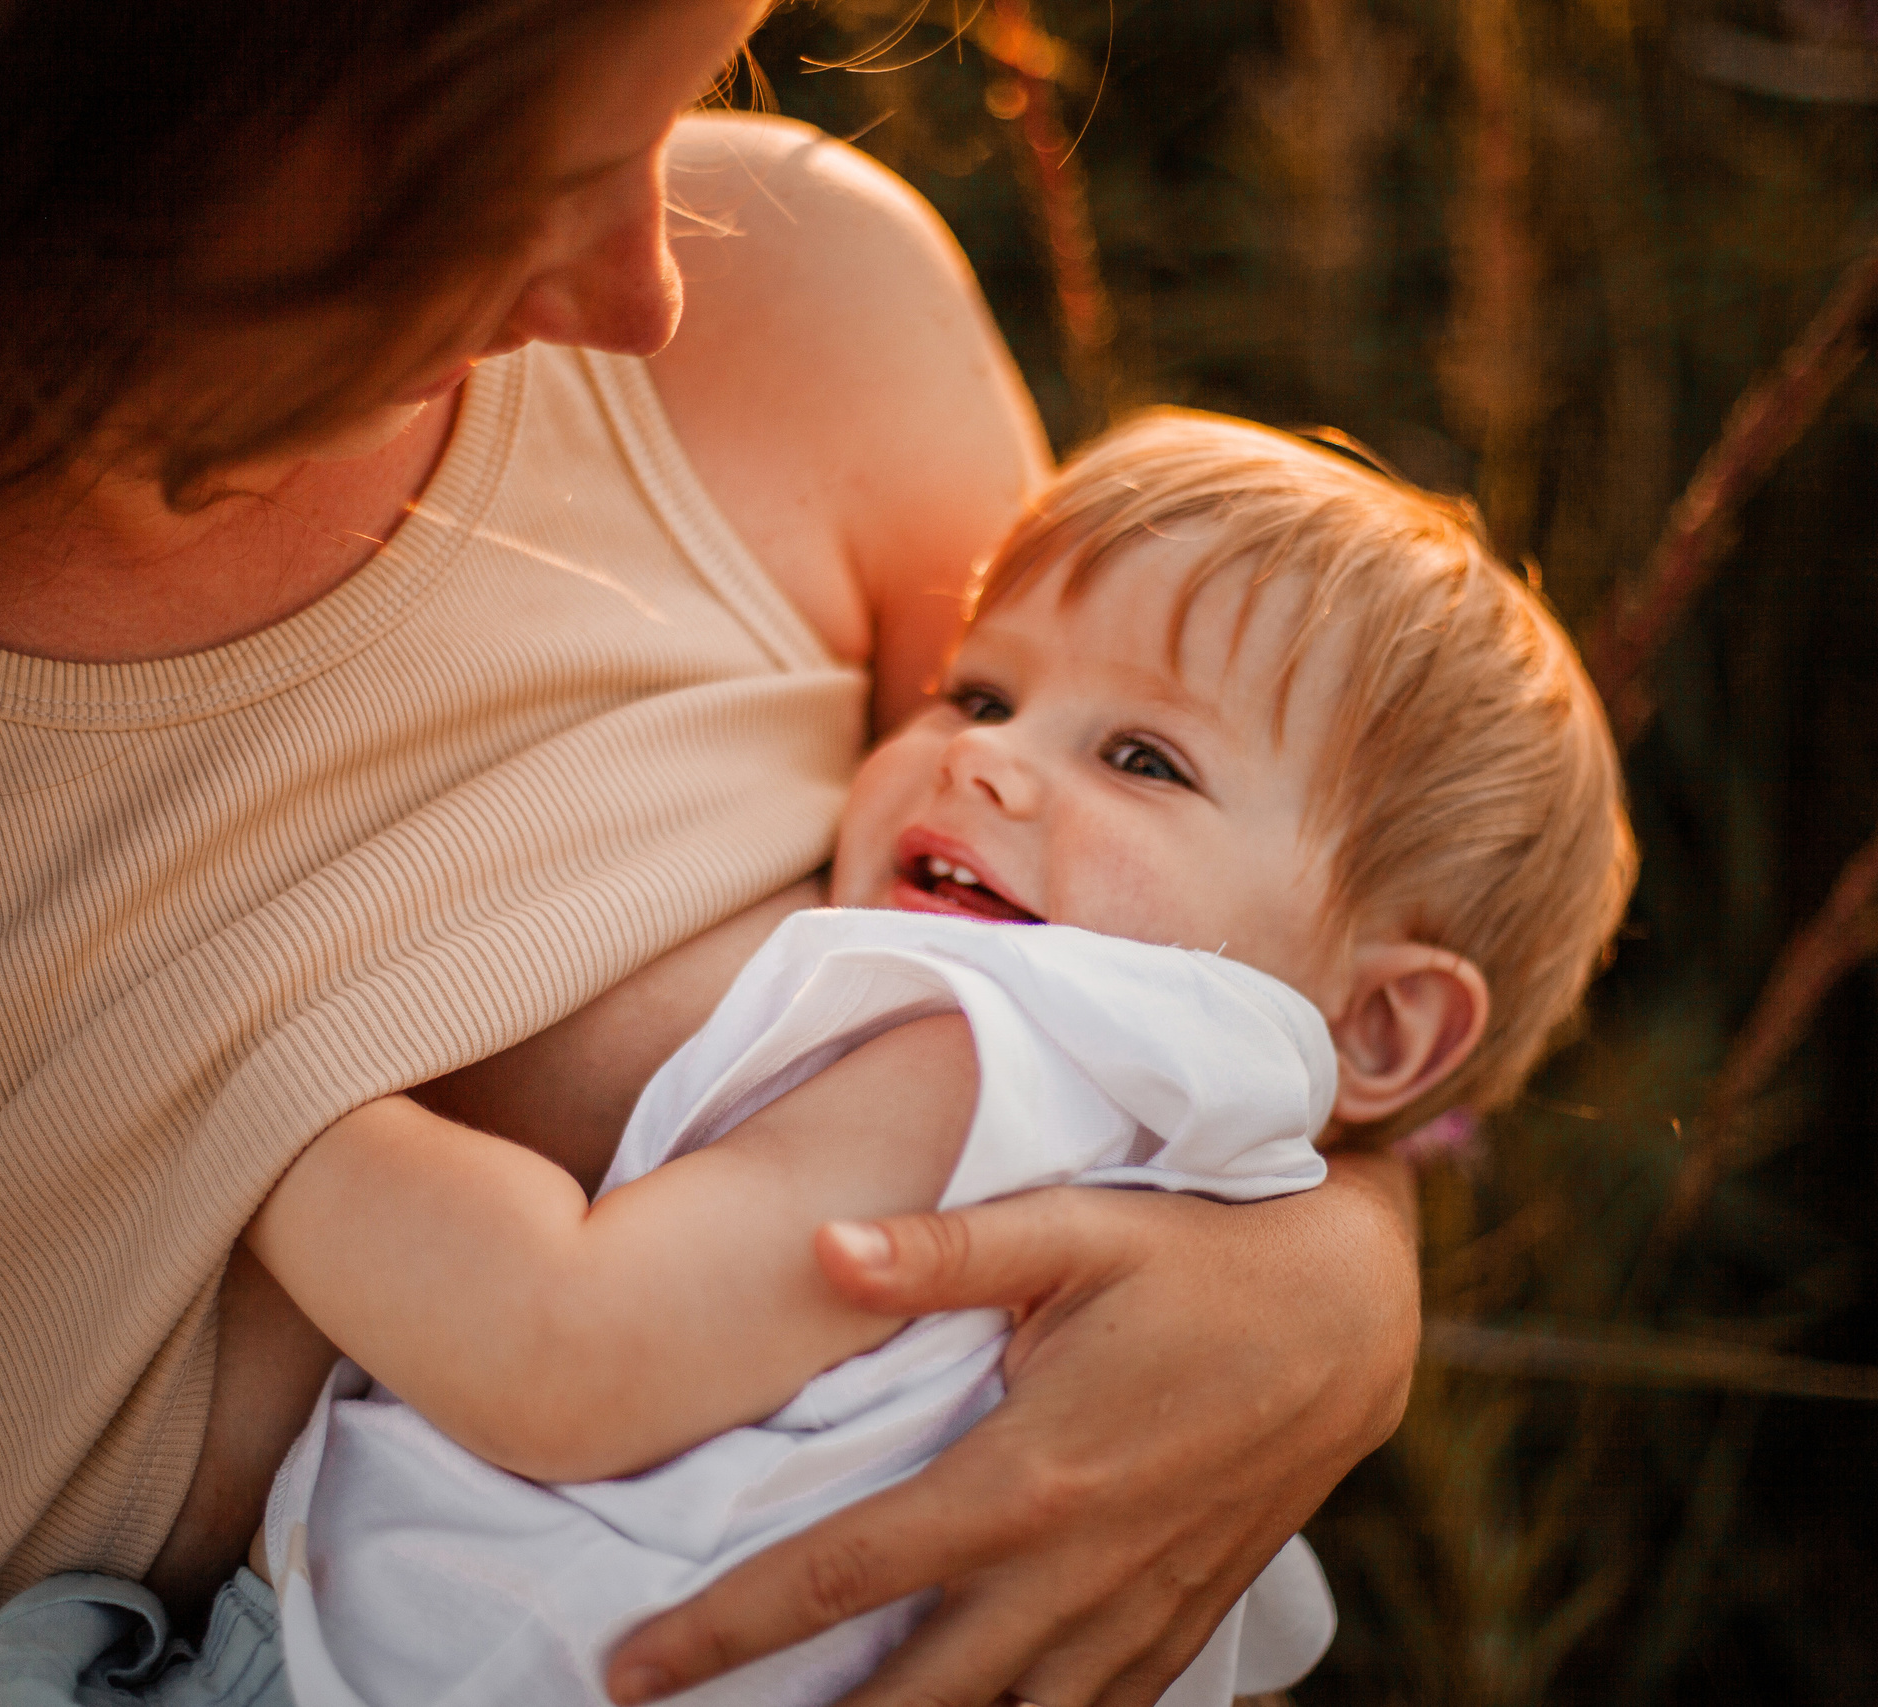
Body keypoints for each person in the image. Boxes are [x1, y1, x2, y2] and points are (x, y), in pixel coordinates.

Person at [0, 5, 1427, 1704]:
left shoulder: (801, 305)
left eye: (674, 111)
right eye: (524, 180)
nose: (638, 295)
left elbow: (1223, 956)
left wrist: (1338, 1286)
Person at [248, 410, 1639, 1707]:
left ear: (1382, 1025)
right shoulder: (1181, 1173)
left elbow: (564, 1353)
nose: (985, 762)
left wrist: (245, 1081)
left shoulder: (1015, 1045)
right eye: (978, 695)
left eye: (1143, 759)